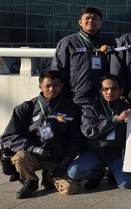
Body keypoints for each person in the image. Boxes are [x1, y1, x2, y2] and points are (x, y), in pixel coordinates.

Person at [1, 70, 82, 198]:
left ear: (61, 86)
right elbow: (10, 136)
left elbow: (75, 140)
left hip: (56, 158)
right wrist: (33, 148)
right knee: (21, 157)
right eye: (47, 86)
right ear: (40, 87)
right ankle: (30, 181)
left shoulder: (72, 109)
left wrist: (65, 161)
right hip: (33, 155)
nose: (52, 89)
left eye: (55, 85)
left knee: (70, 188)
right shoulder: (26, 108)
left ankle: (49, 176)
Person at [67, 74, 131, 190]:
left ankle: (114, 172)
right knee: (73, 172)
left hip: (116, 155)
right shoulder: (91, 107)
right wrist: (115, 120)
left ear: (121, 91)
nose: (109, 92)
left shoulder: (129, 109)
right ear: (100, 91)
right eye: (105, 89)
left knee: (126, 184)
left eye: (114, 89)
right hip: (94, 153)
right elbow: (89, 131)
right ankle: (97, 174)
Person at [51, 7, 114, 106]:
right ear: (80, 22)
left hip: (105, 98)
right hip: (76, 98)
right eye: (87, 18)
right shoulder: (68, 42)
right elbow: (58, 71)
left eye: (95, 19)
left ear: (100, 23)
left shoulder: (110, 42)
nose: (91, 21)